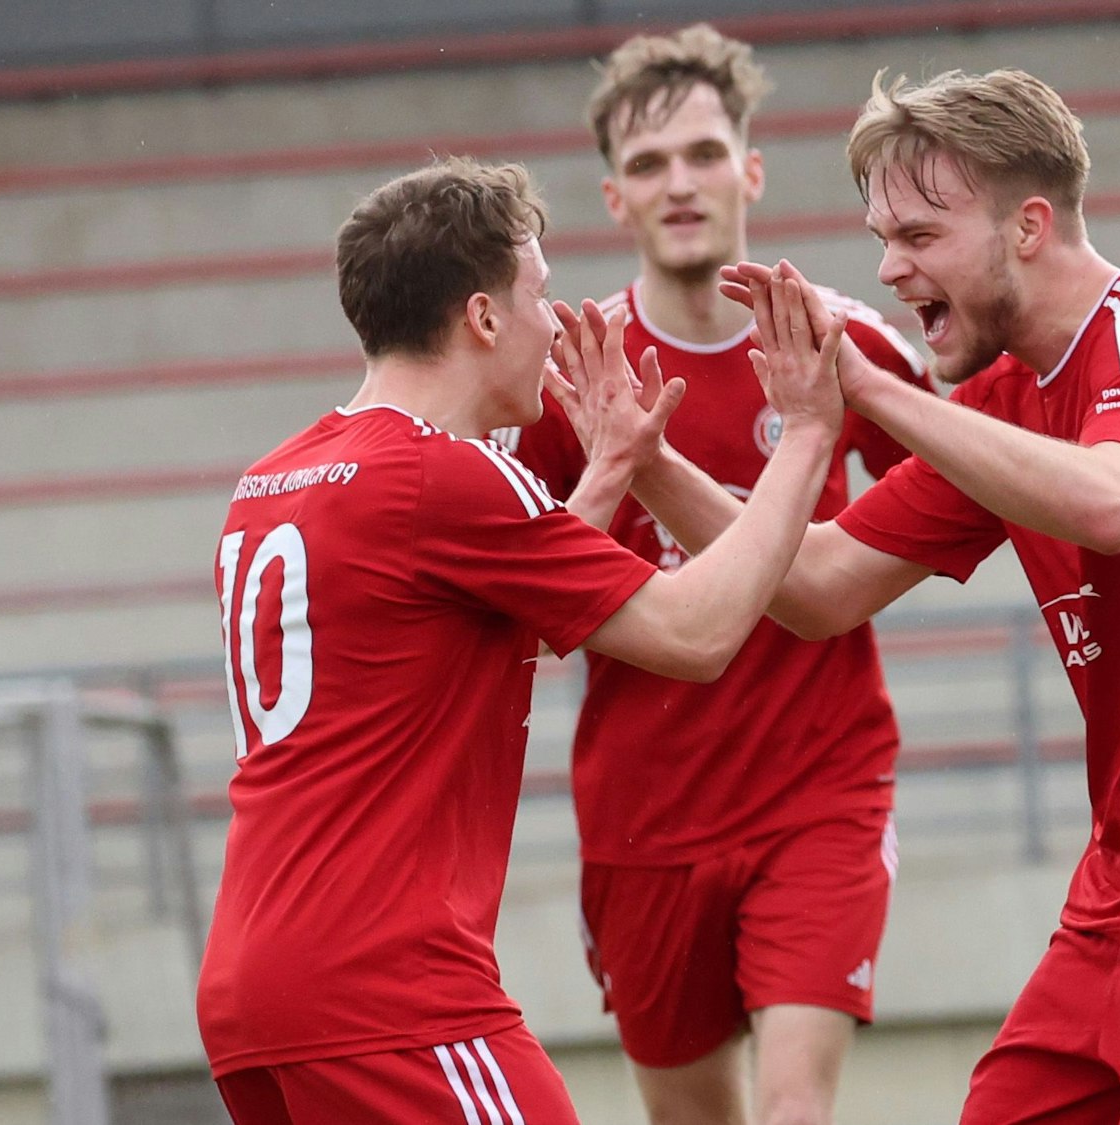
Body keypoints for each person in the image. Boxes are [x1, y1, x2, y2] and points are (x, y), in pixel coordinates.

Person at [559, 67, 1120, 1124]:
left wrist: (858, 390)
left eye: (917, 236)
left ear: (1028, 227)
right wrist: (644, 461)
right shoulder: (1006, 397)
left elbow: (1107, 502)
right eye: (881, 236)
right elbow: (816, 586)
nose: (886, 268)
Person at [197, 157, 850, 1124]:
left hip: (253, 992)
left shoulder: (275, 480)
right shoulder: (448, 477)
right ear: (484, 318)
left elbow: (484, 635)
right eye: (539, 295)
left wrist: (619, 464)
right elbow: (697, 633)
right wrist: (804, 434)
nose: (555, 322)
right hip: (391, 987)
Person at [495, 27, 929, 1125]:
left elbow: (949, 483)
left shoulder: (847, 341)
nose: (678, 184)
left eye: (700, 154)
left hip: (818, 793)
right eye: (648, 165)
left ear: (750, 169)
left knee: (794, 1113)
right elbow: (518, 604)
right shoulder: (567, 375)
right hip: (644, 820)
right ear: (611, 198)